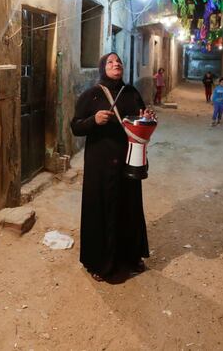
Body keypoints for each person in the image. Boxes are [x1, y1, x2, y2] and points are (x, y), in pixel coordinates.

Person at [71, 53, 155, 281]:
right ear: (102, 68)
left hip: (128, 158)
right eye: (110, 62)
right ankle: (98, 262)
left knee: (129, 205)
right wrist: (93, 120)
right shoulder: (92, 95)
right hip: (100, 162)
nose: (116, 64)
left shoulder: (131, 93)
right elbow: (76, 127)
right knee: (101, 206)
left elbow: (140, 120)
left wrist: (146, 118)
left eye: (119, 61)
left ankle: (131, 256)